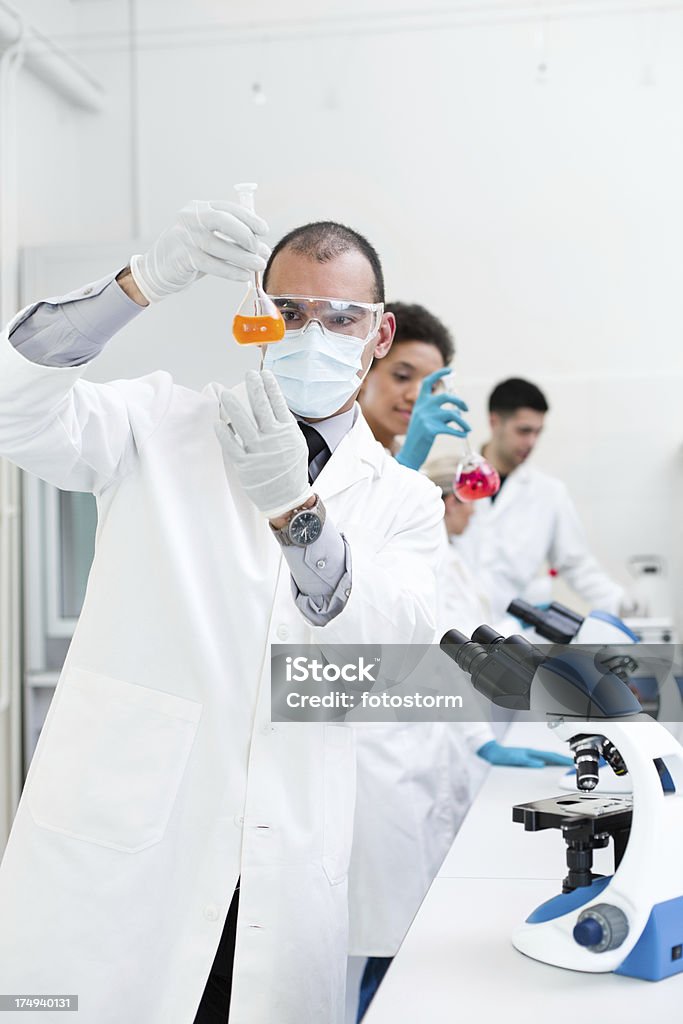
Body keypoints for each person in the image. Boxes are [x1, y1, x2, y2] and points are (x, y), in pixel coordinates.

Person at [0, 203, 445, 1024]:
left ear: (378, 335)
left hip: (282, 866)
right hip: (128, 865)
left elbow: (390, 655)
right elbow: (12, 406)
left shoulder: (405, 502)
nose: (315, 335)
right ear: (256, 320)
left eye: (341, 317)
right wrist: (144, 281)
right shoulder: (161, 424)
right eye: (289, 312)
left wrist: (293, 510)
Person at [351, 310, 571, 1021]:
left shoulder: (428, 539)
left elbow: (456, 640)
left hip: (421, 754)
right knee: (370, 950)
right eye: (400, 376)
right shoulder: (365, 488)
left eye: (428, 381)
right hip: (377, 757)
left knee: (398, 946)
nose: (413, 396)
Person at [452, 377, 635, 623]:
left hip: (511, 637)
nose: (531, 442)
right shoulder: (451, 479)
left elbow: (576, 564)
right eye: (524, 431)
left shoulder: (548, 493)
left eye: (538, 432)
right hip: (452, 628)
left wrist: (623, 604)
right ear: (494, 422)